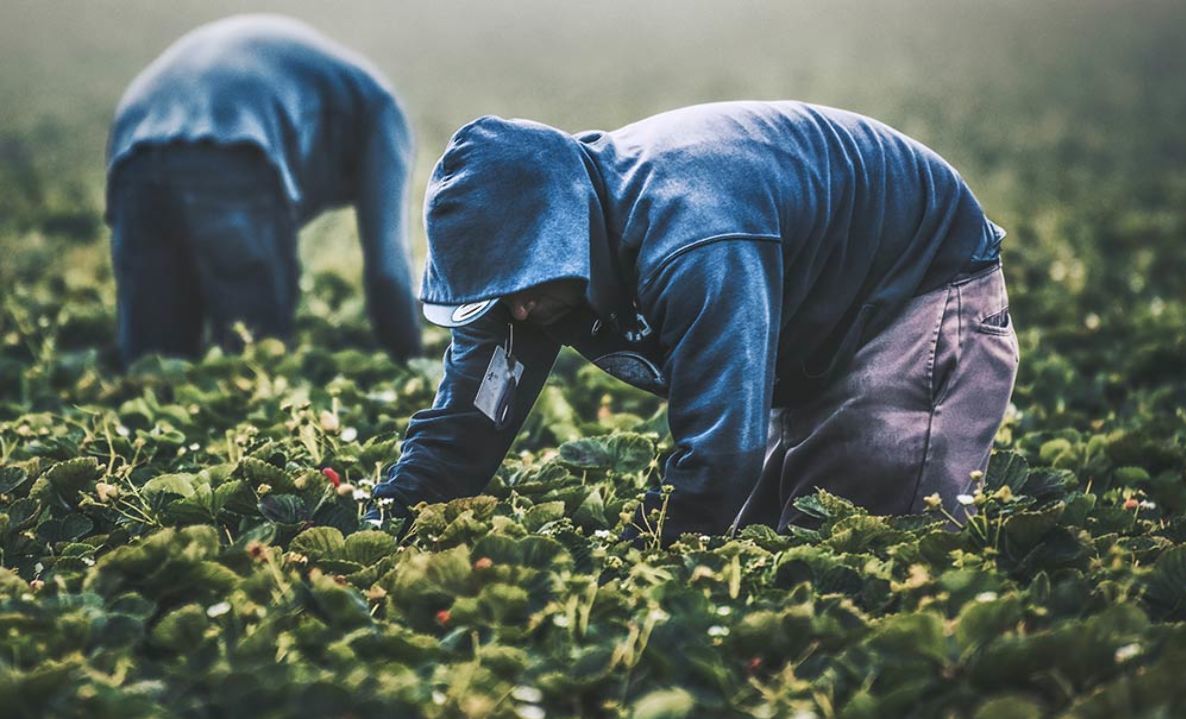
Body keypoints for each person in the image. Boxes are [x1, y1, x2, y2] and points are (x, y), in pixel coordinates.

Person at [369, 101, 1019, 541]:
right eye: (496, 292)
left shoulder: (693, 233)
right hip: (806, 313)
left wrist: (638, 554)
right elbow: (469, 422)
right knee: (776, 540)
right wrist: (388, 515)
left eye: (524, 283)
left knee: (871, 538)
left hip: (919, 282)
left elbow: (720, 449)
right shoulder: (528, 285)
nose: (516, 311)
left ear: (563, 234)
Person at [105, 14, 420, 366]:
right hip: (233, 141)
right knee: (254, 358)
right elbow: (387, 269)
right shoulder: (385, 113)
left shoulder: (334, 89)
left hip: (133, 144)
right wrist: (410, 360)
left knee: (154, 365)